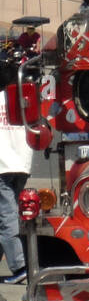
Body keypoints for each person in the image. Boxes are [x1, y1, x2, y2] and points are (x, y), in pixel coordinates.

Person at [0, 71, 31, 284]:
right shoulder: (22, 98)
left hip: (1, 165)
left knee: (7, 218)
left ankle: (20, 266)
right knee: (7, 215)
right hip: (21, 163)